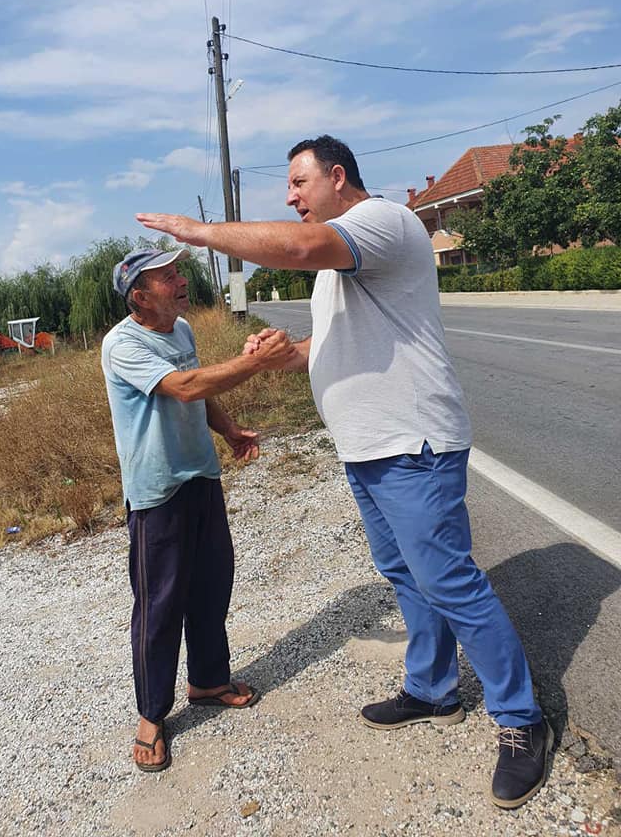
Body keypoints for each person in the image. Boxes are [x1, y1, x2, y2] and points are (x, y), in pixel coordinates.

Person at [136, 136, 551, 808]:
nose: (291, 196)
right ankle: (433, 689)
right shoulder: (340, 266)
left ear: (337, 177)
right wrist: (279, 354)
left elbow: (297, 248)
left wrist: (198, 232)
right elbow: (320, 349)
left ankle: (521, 719)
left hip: (412, 442)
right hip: (367, 449)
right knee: (408, 578)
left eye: (299, 183)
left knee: (451, 582)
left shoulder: (379, 223)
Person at [101, 246, 294, 772]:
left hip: (201, 476)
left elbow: (200, 384)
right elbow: (184, 388)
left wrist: (229, 430)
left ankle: (208, 680)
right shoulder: (122, 344)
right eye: (167, 277)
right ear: (139, 296)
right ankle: (150, 715)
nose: (180, 281)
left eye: (178, 272)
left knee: (212, 586)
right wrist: (255, 361)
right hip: (157, 490)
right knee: (159, 605)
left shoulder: (181, 329)